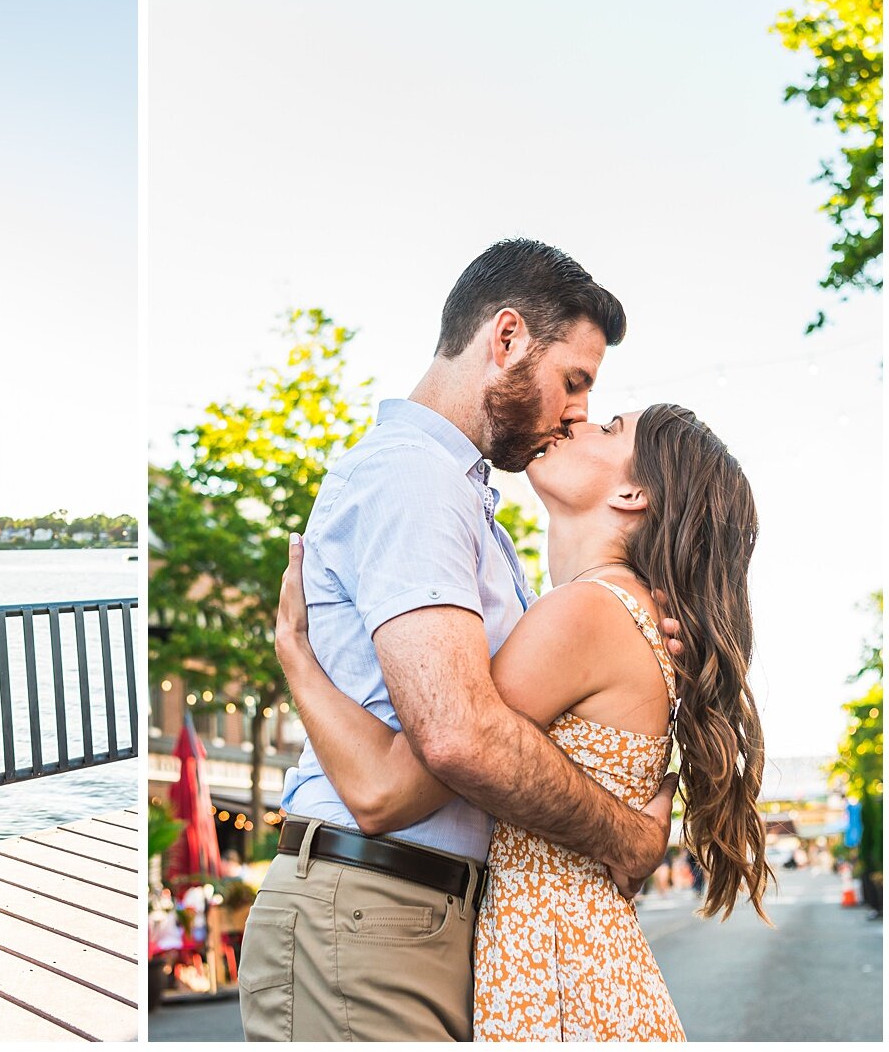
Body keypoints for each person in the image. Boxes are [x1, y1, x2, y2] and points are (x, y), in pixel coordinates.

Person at [236, 239, 677, 1042]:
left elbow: (513, 704)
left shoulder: (465, 498)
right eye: (574, 381)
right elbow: (458, 735)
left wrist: (636, 645)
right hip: (365, 915)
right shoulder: (416, 477)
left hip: (407, 918)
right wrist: (628, 835)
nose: (577, 410)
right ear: (505, 339)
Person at [275, 401, 772, 1039]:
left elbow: (385, 791)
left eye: (611, 428)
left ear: (631, 492)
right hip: (582, 957)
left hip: (553, 959)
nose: (578, 421)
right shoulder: (624, 613)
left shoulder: (584, 612)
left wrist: (296, 654)